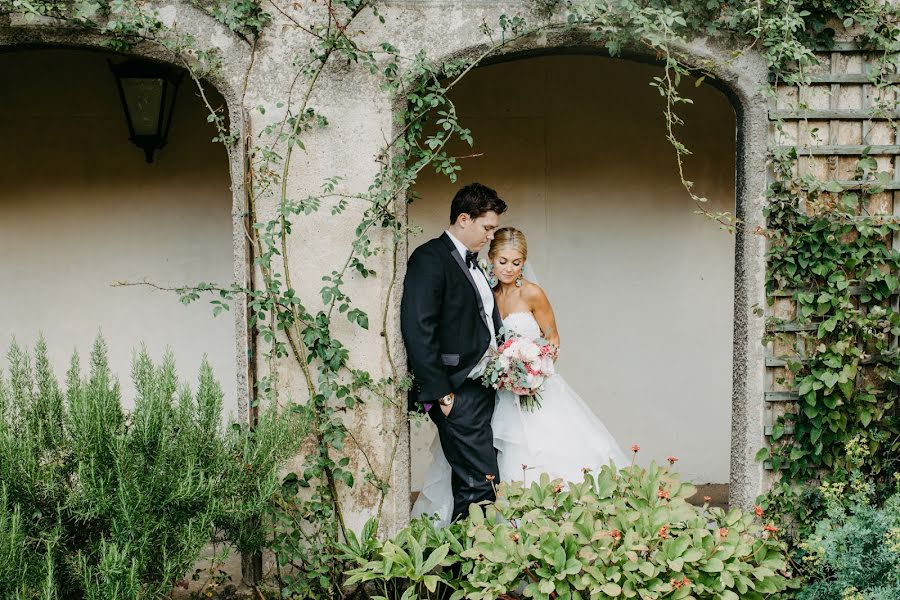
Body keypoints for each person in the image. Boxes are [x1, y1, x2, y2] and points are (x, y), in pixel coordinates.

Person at [413, 227, 628, 526]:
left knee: (539, 457)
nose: (510, 269)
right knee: (482, 461)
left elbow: (552, 339)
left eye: (517, 262)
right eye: (503, 261)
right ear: (490, 259)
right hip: (493, 390)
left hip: (533, 391)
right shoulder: (483, 291)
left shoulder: (532, 293)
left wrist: (534, 366)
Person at [400, 182, 507, 523]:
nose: (491, 236)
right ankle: (478, 567)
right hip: (455, 389)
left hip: (482, 387)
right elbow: (419, 327)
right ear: (464, 218)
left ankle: (464, 567)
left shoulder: (474, 265)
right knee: (482, 482)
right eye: (487, 227)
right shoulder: (430, 258)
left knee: (471, 482)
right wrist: (441, 394)